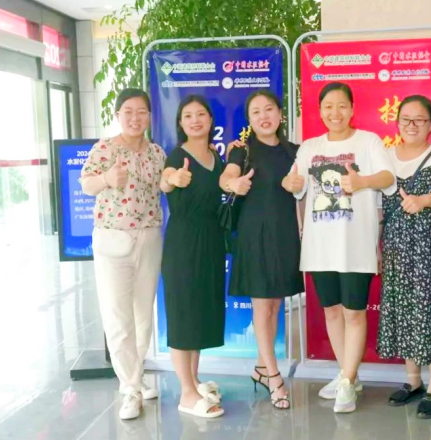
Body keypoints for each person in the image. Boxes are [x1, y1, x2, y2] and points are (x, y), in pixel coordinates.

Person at [282, 82, 396, 413]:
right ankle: (348, 375)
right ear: (320, 111)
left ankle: (347, 380)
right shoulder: (309, 147)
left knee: (354, 313)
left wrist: (363, 182)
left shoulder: (368, 141)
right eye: (328, 106)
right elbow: (295, 183)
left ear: (352, 109)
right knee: (331, 310)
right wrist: (290, 183)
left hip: (355, 244)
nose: (335, 112)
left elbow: (389, 178)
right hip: (319, 246)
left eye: (342, 105)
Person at [80, 88, 165, 420]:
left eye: (141, 111)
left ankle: (135, 375)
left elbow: (165, 184)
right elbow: (87, 184)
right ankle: (129, 388)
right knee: (118, 316)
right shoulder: (105, 148)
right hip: (113, 238)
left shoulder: (156, 152)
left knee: (143, 315)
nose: (135, 117)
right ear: (118, 115)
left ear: (149, 116)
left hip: (149, 237)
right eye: (128, 111)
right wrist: (106, 178)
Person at [377, 95, 431, 419]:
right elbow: (378, 207)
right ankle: (413, 380)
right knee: (404, 310)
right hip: (396, 246)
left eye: (419, 120)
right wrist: (376, 246)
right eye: (406, 119)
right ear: (397, 122)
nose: (411, 126)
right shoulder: (385, 157)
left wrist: (423, 200)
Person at [219, 90, 303, 409]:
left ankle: (260, 367)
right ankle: (274, 377)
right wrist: (233, 183)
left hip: (284, 234)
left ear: (280, 114)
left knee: (275, 304)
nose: (263, 116)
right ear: (249, 120)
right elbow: (227, 176)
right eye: (256, 112)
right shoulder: (242, 151)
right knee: (262, 304)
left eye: (269, 109)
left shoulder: (294, 151)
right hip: (255, 235)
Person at [160, 95, 225, 419]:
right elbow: (166, 180)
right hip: (184, 243)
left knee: (198, 311)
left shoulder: (216, 157)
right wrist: (173, 180)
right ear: (181, 123)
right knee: (183, 314)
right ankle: (186, 394)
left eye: (201, 114)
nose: (195, 120)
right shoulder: (177, 156)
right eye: (188, 116)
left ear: (210, 120)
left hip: (211, 241)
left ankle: (194, 381)